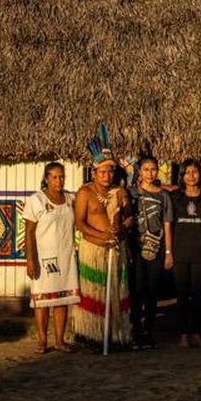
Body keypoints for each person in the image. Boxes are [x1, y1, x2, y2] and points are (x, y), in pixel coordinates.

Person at [72, 143, 132, 349]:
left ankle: (116, 334)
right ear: (94, 173)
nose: (107, 176)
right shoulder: (85, 193)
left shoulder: (120, 192)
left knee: (116, 291)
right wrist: (102, 236)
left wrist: (120, 228)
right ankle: (92, 334)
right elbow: (80, 223)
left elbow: (130, 218)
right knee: (94, 291)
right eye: (103, 172)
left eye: (110, 172)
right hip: (93, 250)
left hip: (116, 248)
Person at [22, 161, 78, 353]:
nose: (59, 181)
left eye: (61, 177)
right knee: (42, 301)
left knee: (62, 299)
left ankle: (60, 341)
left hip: (66, 256)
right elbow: (29, 232)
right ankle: (42, 342)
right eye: (54, 177)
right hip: (43, 259)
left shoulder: (71, 198)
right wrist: (30, 260)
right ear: (46, 179)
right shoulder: (36, 199)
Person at [167, 158, 201, 347]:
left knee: (198, 295)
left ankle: (196, 332)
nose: (191, 176)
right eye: (187, 172)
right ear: (182, 176)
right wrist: (169, 252)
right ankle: (182, 335)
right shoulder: (175, 198)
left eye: (195, 172)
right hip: (180, 252)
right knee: (181, 295)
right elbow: (169, 225)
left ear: (200, 175)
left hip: (200, 253)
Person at [127, 154, 172, 348]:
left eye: (153, 169)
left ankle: (149, 330)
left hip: (156, 248)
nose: (150, 173)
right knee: (136, 290)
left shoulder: (164, 196)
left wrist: (168, 252)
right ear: (139, 171)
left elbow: (167, 225)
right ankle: (136, 330)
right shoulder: (131, 193)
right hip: (135, 248)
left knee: (152, 290)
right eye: (146, 169)